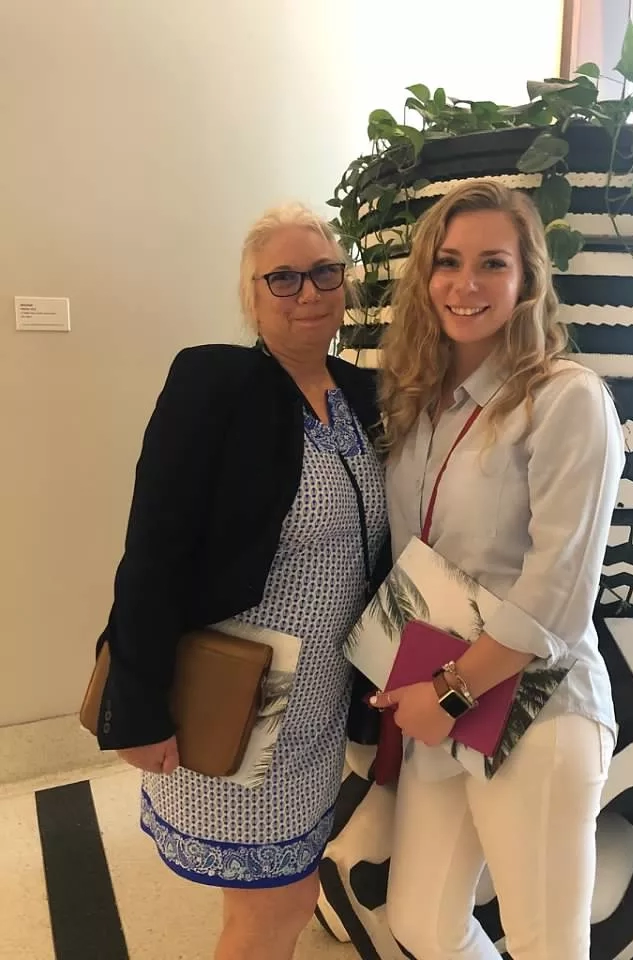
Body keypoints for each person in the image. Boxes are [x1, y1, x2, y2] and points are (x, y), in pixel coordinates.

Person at [94, 203, 388, 960]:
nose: (308, 292)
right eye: (282, 278)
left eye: (324, 272)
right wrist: (139, 704)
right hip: (236, 696)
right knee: (278, 903)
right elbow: (152, 547)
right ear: (251, 298)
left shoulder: (363, 397)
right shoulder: (215, 382)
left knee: (283, 895)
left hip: (322, 699)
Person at [370, 180, 625, 960]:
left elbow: (557, 593)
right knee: (420, 921)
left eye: (492, 263)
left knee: (549, 944)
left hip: (534, 712)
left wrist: (451, 694)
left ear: (526, 280)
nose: (466, 284)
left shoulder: (565, 399)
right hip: (440, 708)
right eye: (448, 263)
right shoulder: (421, 404)